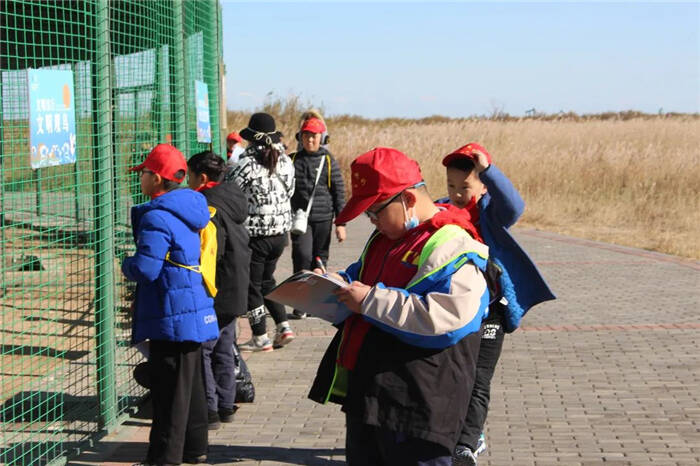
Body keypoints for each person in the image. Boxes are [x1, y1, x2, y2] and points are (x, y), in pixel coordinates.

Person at [308, 147, 491, 466]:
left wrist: (368, 300)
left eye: (376, 211)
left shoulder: (452, 244)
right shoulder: (385, 238)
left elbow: (448, 318)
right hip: (372, 401)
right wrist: (334, 282)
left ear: (407, 200)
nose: (373, 221)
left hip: (420, 408)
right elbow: (363, 274)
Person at [437, 142, 556, 465]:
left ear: (482, 185)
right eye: (451, 185)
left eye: (465, 186)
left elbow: (514, 206)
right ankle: (461, 431)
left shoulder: (490, 212)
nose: (458, 193)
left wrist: (489, 169)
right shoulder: (442, 212)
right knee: (453, 376)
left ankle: (466, 443)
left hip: (491, 311)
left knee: (478, 378)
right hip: (454, 310)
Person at [122, 144, 219, 465]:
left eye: (144, 173)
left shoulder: (157, 217)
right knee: (189, 388)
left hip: (170, 313)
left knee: (168, 396)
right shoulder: (190, 207)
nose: (141, 179)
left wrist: (125, 265)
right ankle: (194, 449)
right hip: (190, 309)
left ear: (158, 178)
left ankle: (163, 458)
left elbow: (147, 268)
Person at [187, 150, 251, 430]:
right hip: (237, 284)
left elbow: (212, 250)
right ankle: (226, 406)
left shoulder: (206, 205)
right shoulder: (233, 197)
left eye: (189, 176)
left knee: (205, 348)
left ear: (201, 178)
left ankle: (209, 409)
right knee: (225, 346)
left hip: (217, 286)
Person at [225, 112, 296, 352]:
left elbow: (230, 192)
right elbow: (291, 191)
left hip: (256, 235)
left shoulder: (246, 164)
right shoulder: (286, 161)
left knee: (251, 286)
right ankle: (284, 326)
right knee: (267, 281)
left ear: (251, 138)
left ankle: (260, 337)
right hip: (280, 234)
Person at [289, 113, 347, 319]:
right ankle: (300, 301)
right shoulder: (292, 160)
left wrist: (341, 222)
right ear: (300, 138)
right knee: (301, 255)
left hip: (323, 217)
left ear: (321, 138)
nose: (310, 140)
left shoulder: (328, 160)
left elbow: (338, 191)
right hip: (299, 220)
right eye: (306, 136)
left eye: (314, 136)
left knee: (319, 259)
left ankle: (316, 301)